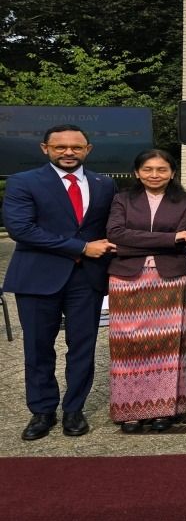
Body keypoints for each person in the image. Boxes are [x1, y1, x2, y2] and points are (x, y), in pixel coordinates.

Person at [3, 125, 117, 440]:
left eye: (76, 147)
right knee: (38, 348)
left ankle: (74, 409)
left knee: (82, 347)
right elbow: (21, 229)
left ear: (88, 150)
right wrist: (81, 247)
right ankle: (42, 411)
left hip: (86, 279)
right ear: (45, 149)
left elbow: (111, 226)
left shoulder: (104, 184)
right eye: (60, 147)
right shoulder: (23, 181)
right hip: (38, 278)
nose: (68, 152)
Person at [106, 149, 186, 433]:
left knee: (167, 344)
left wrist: (129, 245)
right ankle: (130, 410)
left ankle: (165, 408)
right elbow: (115, 233)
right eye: (148, 169)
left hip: (169, 277)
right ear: (137, 172)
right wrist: (169, 238)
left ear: (172, 173)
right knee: (127, 344)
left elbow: (183, 238)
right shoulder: (122, 199)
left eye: (161, 169)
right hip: (126, 277)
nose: (154, 175)